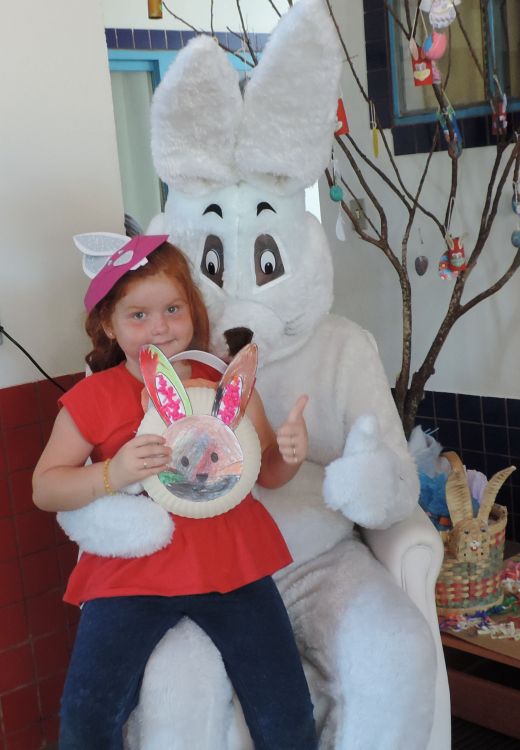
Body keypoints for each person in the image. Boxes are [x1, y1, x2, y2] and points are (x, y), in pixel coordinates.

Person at [32, 236, 316, 750]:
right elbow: (45, 488)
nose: (160, 327)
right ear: (108, 324)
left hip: (233, 565)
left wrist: (291, 452)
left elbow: (268, 473)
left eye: (172, 309)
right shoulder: (92, 398)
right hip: (128, 576)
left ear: (193, 310)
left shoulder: (225, 381)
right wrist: (114, 473)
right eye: (138, 315)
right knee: (86, 715)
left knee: (287, 714)